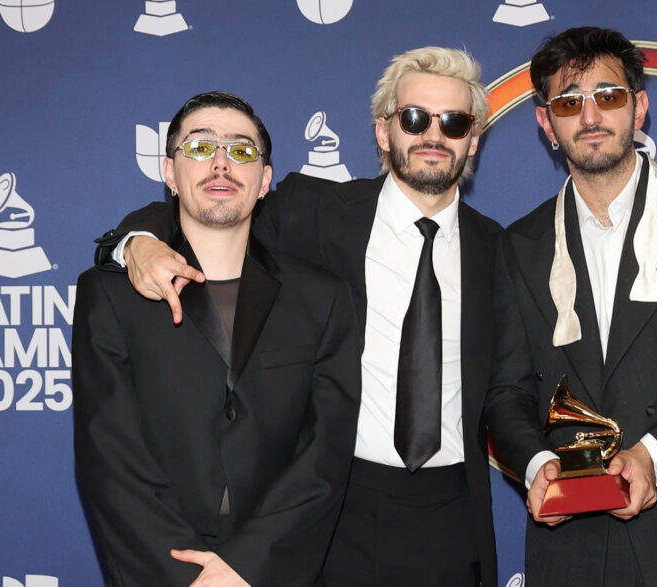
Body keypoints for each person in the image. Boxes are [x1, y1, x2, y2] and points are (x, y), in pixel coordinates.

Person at [93, 48, 500, 586]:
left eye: (453, 122)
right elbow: (211, 203)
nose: (432, 134)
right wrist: (137, 241)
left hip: (452, 516)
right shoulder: (312, 209)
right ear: (384, 132)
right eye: (414, 117)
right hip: (333, 515)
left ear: (473, 138)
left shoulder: (498, 248)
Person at [484, 27, 657, 586]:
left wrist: (652, 456)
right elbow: (506, 392)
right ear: (546, 123)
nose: (590, 116)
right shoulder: (519, 244)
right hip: (572, 550)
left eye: (608, 96)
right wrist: (540, 466)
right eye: (569, 102)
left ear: (639, 107)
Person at [73, 91, 361, 586]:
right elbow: (110, 459)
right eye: (201, 147)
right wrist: (186, 576)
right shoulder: (110, 295)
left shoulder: (323, 297)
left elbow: (325, 454)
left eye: (242, 150)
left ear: (265, 179)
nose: (222, 163)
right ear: (170, 172)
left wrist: (246, 565)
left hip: (276, 566)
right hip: (159, 568)